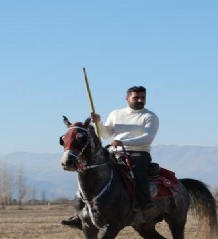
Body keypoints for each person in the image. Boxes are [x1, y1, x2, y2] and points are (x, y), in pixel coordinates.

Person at [62, 86, 159, 228]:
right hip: (114, 151)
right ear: (127, 98)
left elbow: (147, 138)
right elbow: (105, 134)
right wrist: (99, 122)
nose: (140, 100)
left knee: (138, 176)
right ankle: (81, 214)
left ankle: (146, 206)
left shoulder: (150, 116)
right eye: (136, 97)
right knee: (88, 172)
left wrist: (123, 142)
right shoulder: (116, 113)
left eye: (142, 97)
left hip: (138, 153)